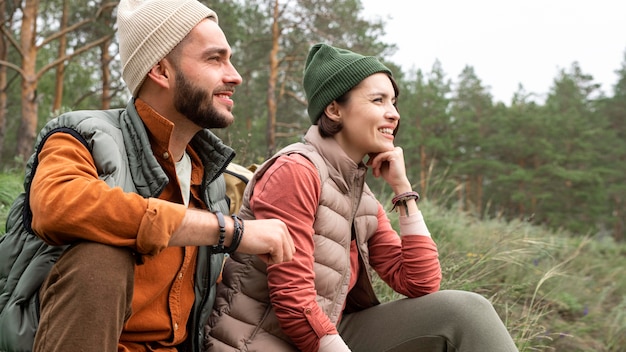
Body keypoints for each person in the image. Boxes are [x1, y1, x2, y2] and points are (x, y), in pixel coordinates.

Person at [0, 0, 296, 351]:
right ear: (160, 70)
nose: (234, 76)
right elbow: (58, 206)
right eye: (215, 59)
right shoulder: (80, 135)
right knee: (101, 257)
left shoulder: (211, 175)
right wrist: (226, 231)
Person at [205, 43, 519, 352]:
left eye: (394, 102)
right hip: (258, 339)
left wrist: (403, 189)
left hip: (325, 332)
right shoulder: (295, 172)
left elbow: (419, 283)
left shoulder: (358, 192)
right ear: (334, 108)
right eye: (378, 100)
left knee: (464, 312)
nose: (393, 114)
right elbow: (294, 300)